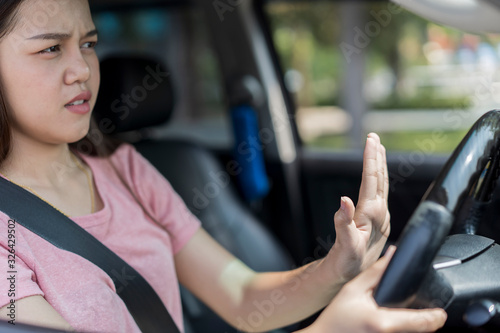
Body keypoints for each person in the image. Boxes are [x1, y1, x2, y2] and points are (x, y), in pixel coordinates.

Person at [0, 0, 447, 332]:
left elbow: (241, 294)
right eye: (50, 49)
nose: (82, 68)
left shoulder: (127, 171)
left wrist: (338, 265)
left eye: (88, 43)